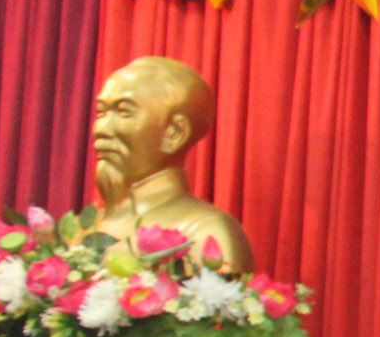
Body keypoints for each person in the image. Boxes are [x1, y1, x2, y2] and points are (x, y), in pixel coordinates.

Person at [62, 55, 254, 274]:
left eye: (124, 112)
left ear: (174, 133)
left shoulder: (205, 232)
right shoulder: (79, 229)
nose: (101, 130)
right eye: (101, 112)